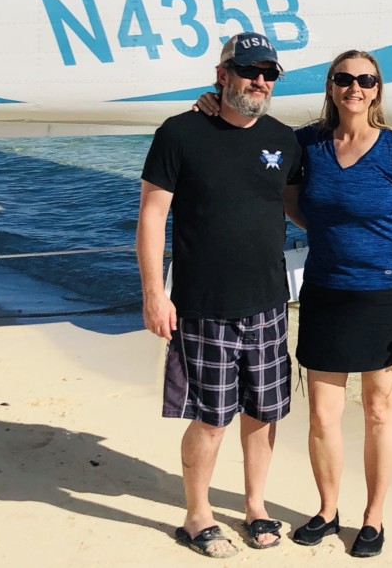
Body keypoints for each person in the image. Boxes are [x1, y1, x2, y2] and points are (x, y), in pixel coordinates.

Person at [137, 32, 302, 558]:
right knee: (211, 417)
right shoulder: (180, 132)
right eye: (250, 69)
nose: (260, 80)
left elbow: (300, 206)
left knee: (264, 412)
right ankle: (197, 514)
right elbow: (152, 214)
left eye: (269, 72)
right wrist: (153, 294)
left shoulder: (285, 139)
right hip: (203, 306)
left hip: (269, 303)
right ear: (222, 73)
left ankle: (256, 506)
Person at [291, 49, 392, 558]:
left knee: (379, 411)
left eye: (365, 79)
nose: (354, 87)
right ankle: (327, 510)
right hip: (325, 293)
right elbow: (273, 182)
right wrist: (211, 103)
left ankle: (373, 518)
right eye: (343, 78)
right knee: (322, 415)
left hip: (388, 296)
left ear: (377, 89)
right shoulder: (306, 144)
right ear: (331, 87)